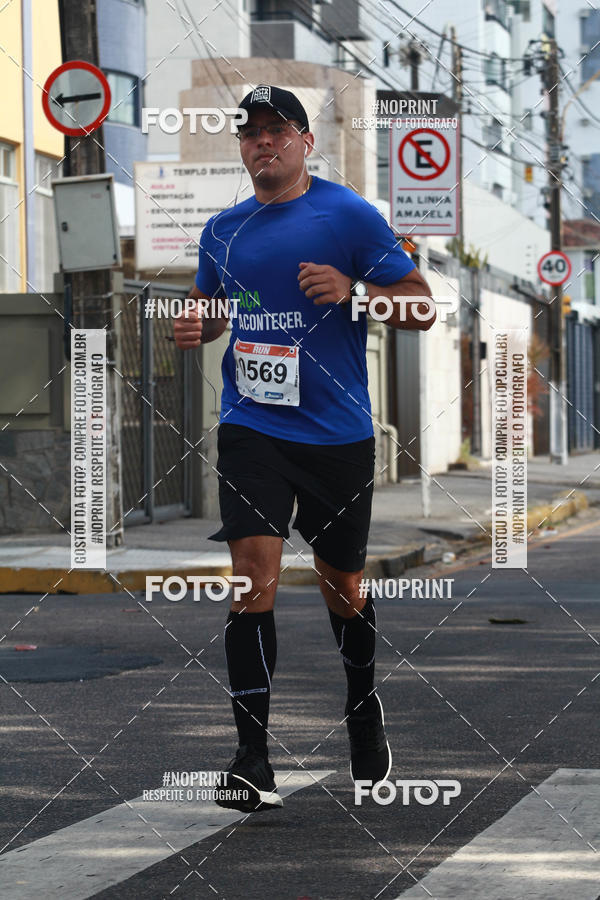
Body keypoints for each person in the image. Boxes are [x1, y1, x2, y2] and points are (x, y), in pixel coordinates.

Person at [173, 85, 434, 813]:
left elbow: (421, 306)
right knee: (251, 573)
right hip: (253, 426)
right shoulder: (222, 230)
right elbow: (216, 308)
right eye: (251, 132)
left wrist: (355, 291)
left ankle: (361, 703)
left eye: (277, 130)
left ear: (304, 142)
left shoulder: (345, 214)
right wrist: (200, 322)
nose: (263, 142)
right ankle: (252, 757)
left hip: (336, 435)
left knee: (342, 587)